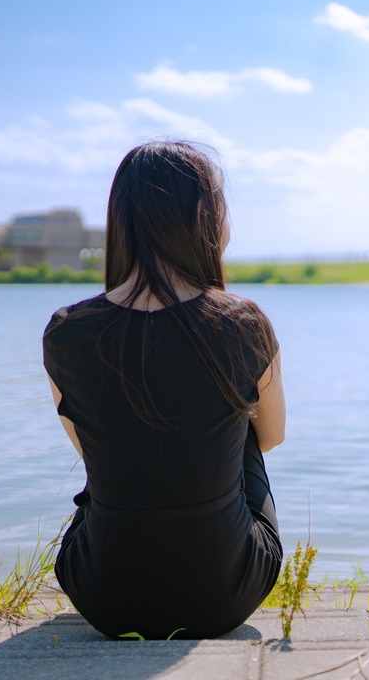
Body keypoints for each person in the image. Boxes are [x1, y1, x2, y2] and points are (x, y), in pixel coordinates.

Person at [42, 140, 285, 640]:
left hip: (104, 595)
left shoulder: (67, 331)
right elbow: (272, 436)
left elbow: (89, 452)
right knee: (241, 429)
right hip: (225, 594)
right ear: (207, 219)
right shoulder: (243, 323)